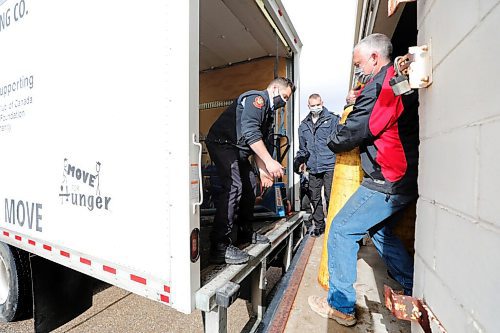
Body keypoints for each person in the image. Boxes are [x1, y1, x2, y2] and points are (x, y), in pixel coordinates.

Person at [308, 33, 419, 327]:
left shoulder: (379, 87)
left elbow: (356, 130)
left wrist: (332, 140)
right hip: (405, 176)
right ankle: (412, 286)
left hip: (388, 177)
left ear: (374, 57)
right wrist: (360, 96)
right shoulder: (393, 80)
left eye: (359, 64)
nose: (358, 71)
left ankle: (341, 306)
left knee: (342, 230)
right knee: (380, 233)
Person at [206, 77, 296, 265]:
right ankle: (219, 246)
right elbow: (251, 133)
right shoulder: (257, 100)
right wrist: (270, 162)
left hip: (237, 149)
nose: (285, 102)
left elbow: (258, 144)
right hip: (222, 144)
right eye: (285, 97)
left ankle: (245, 233)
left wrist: (263, 171)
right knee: (234, 186)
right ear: (274, 90)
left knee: (249, 186)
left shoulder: (268, 114)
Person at [294, 94, 339, 237]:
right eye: (312, 106)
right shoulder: (303, 125)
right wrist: (298, 161)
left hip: (330, 165)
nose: (315, 108)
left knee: (330, 196)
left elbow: (339, 141)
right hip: (313, 167)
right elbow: (303, 149)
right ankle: (319, 225)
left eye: (317, 105)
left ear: (322, 103)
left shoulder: (332, 120)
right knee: (314, 197)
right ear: (308, 106)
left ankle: (334, 226)